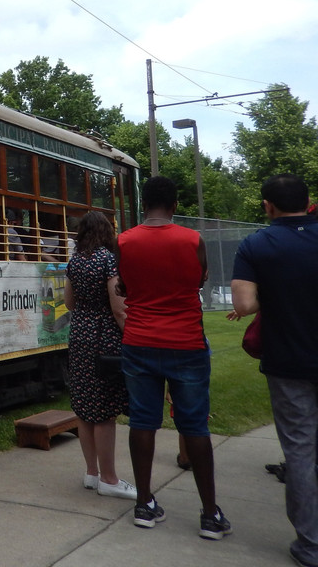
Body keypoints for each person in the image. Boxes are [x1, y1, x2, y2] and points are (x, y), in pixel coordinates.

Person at [113, 176, 230, 539]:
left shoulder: (124, 241)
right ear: (175, 205)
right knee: (194, 426)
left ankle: (144, 503)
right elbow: (200, 279)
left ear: (143, 204)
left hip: (139, 340)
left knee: (143, 422)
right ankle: (210, 514)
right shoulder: (192, 239)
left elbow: (123, 285)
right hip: (186, 342)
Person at [231, 173, 318, 567]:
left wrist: (276, 288)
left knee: (299, 451)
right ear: (308, 200)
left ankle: (310, 544)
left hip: (288, 361)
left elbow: (244, 304)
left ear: (268, 206)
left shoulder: (256, 244)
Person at [63, 212, 136, 499]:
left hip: (79, 335)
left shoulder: (75, 260)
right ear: (106, 231)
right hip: (103, 336)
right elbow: (119, 308)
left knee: (84, 407)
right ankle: (110, 479)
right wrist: (132, 337)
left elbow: (69, 302)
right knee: (104, 411)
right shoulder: (108, 260)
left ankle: (91, 473)